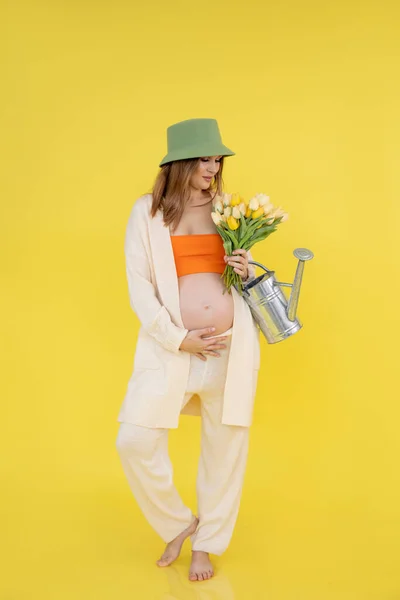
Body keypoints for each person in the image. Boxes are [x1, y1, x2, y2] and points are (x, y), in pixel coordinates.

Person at [116, 118, 260, 582]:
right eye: (205, 158)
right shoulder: (148, 212)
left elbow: (248, 283)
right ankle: (181, 524)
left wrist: (248, 266)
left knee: (225, 448)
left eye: (217, 159)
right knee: (134, 439)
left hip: (229, 349)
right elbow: (139, 286)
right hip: (173, 349)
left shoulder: (229, 210)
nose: (214, 167)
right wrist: (179, 338)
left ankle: (208, 545)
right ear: (180, 161)